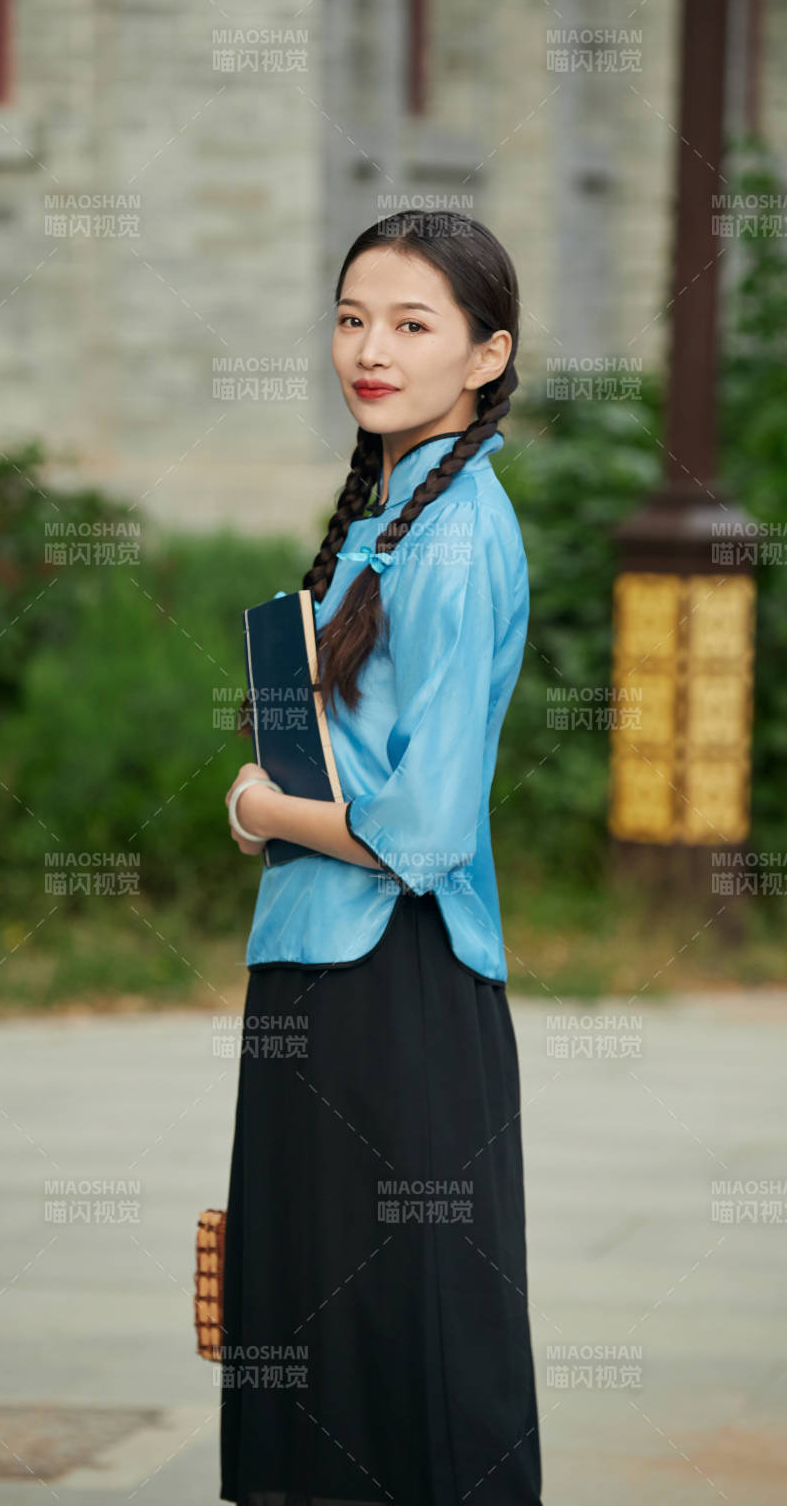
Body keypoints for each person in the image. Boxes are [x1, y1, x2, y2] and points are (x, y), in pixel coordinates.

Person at [221, 212, 543, 1505]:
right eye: (353, 317)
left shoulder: (459, 526)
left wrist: (258, 810)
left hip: (394, 989)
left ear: (485, 353)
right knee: (315, 1339)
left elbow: (422, 832)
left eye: (413, 324)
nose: (371, 347)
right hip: (324, 973)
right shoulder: (393, 509)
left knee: (402, 1353)